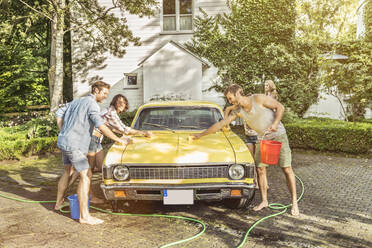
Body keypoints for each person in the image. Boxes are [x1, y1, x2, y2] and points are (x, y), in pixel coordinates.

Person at [190, 84, 300, 216]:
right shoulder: (238, 111)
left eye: (230, 98)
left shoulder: (258, 99)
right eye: (228, 100)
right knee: (260, 169)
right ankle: (264, 201)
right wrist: (200, 135)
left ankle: (294, 203)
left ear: (237, 93)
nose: (230, 102)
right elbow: (221, 124)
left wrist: (275, 123)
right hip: (262, 139)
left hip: (279, 135)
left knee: (286, 169)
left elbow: (280, 107)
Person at [54, 81, 127, 225]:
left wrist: (63, 130)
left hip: (64, 141)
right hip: (74, 145)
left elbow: (59, 113)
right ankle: (84, 216)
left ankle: (58, 203)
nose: (106, 96)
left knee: (67, 171)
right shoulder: (92, 104)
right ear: (96, 90)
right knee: (86, 175)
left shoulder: (77, 101)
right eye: (104, 93)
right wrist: (118, 140)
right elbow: (101, 125)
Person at [87, 94, 152, 174]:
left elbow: (114, 129)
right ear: (114, 103)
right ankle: (76, 177)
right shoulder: (111, 113)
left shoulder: (111, 111)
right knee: (89, 168)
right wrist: (143, 133)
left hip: (96, 139)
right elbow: (123, 129)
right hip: (91, 138)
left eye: (124, 102)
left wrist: (127, 134)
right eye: (119, 102)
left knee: (101, 167)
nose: (122, 104)